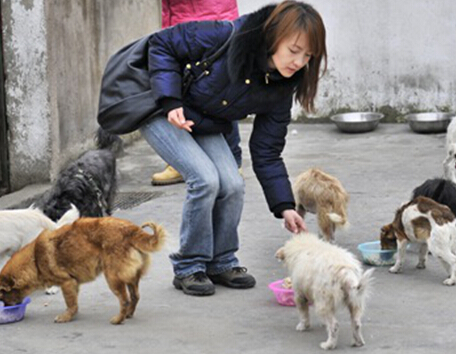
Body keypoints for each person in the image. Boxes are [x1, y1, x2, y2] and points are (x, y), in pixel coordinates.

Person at [105, 0, 327, 296]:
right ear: (274, 35)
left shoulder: (281, 89)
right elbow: (161, 44)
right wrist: (170, 100)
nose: (298, 62)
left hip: (204, 118)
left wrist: (285, 206)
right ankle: (189, 266)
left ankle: (222, 261)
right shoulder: (223, 35)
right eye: (294, 50)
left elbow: (267, 151)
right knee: (205, 179)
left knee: (233, 183)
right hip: (161, 108)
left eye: (307, 56)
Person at [152, 0, 242, 186]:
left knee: (222, 94)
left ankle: (232, 161)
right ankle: (182, 162)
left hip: (209, 21)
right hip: (180, 20)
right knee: (182, 91)